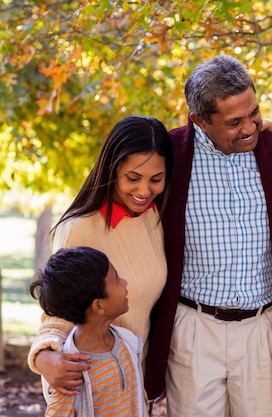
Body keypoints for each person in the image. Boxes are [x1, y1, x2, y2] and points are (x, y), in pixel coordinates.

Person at [142, 55, 272, 417]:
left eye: (254, 112)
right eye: (234, 122)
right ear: (200, 121)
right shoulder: (171, 154)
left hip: (263, 327)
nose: (250, 127)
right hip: (193, 326)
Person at [27, 116, 174, 401]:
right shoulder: (79, 229)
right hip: (90, 386)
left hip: (132, 383)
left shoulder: (153, 217)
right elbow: (59, 307)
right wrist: (45, 356)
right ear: (112, 169)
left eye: (156, 179)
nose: (144, 191)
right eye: (133, 178)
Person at [29, 246, 148, 417]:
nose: (125, 282)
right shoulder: (71, 374)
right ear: (99, 306)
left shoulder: (128, 342)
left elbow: (138, 399)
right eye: (117, 280)